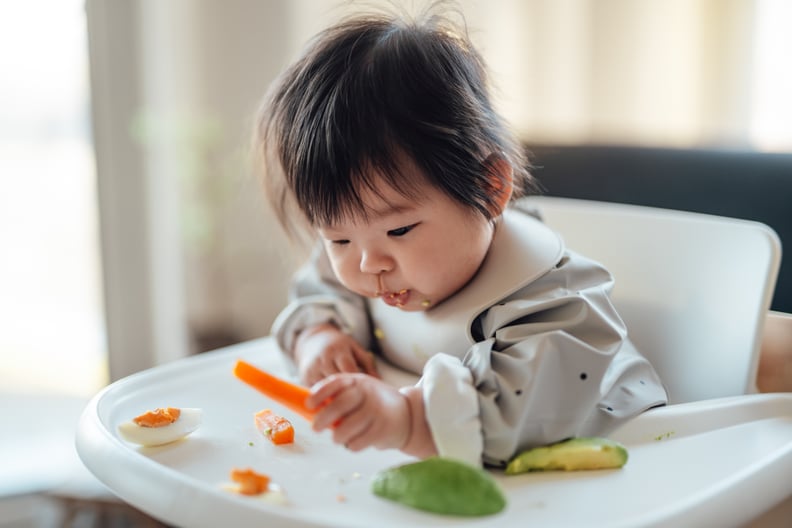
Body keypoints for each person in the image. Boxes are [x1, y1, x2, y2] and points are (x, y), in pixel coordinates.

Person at [254, 6, 667, 468]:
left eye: (399, 229)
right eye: (338, 238)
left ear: (490, 188)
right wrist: (318, 336)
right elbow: (323, 291)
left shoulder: (556, 305)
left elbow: (524, 408)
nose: (369, 264)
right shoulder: (374, 258)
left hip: (615, 462)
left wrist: (409, 418)